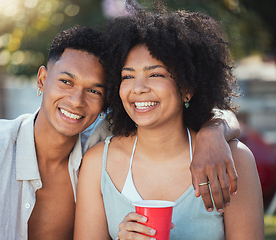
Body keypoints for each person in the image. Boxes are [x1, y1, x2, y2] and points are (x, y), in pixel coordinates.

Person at [0, 25, 237, 239]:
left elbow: (177, 112)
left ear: (106, 101)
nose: (77, 101)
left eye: (94, 91)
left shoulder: (100, 145)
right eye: (66, 82)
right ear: (42, 80)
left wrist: (213, 131)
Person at [74, 3, 264, 240]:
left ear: (187, 88)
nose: (138, 88)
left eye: (156, 74)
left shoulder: (232, 160)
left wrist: (214, 131)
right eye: (128, 76)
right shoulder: (97, 164)